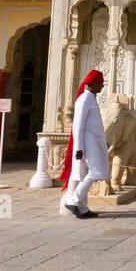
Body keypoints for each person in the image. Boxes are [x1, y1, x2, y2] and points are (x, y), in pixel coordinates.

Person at [59, 70, 110, 218]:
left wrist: (103, 140)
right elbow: (78, 125)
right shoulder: (84, 99)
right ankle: (74, 201)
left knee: (86, 174)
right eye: (100, 84)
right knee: (95, 172)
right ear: (94, 84)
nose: (102, 87)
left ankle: (82, 208)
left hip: (94, 142)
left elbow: (95, 124)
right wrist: (79, 147)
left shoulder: (91, 98)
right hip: (87, 144)